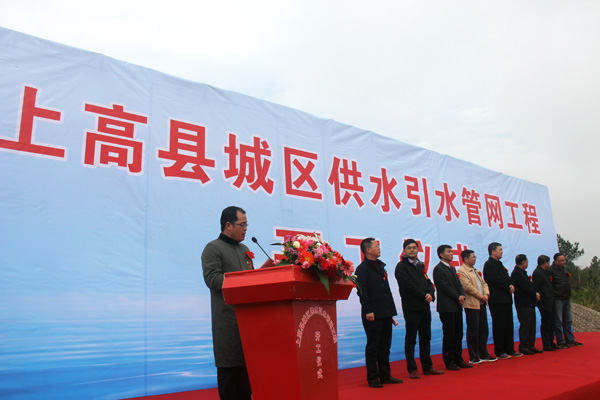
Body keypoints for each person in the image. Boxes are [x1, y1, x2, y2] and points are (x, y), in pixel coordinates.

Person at [201, 206, 253, 400]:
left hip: (249, 322)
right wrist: (243, 280)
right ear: (228, 225)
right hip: (228, 323)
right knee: (230, 376)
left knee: (246, 382)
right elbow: (212, 279)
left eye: (247, 225)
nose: (245, 229)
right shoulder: (213, 248)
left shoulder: (245, 249)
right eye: (242, 225)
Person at [355, 238, 403, 388]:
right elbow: (362, 291)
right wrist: (368, 310)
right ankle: (373, 378)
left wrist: (390, 311)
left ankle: (385, 375)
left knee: (385, 346)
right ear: (368, 250)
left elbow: (386, 291)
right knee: (373, 346)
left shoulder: (381, 266)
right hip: (372, 314)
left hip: (385, 312)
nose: (379, 248)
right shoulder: (362, 269)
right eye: (376, 246)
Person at [395, 239, 445, 379]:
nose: (412, 250)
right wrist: (424, 295)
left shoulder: (420, 265)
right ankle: (412, 369)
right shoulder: (401, 267)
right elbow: (407, 286)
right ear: (404, 251)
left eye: (414, 248)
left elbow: (428, 282)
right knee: (411, 339)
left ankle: (427, 367)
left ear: (418, 250)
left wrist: (431, 294)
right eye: (409, 248)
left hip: (424, 306)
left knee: (425, 338)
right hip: (411, 307)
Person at [433, 245, 472, 371]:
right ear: (441, 255)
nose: (451, 254)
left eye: (452, 251)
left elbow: (459, 285)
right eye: (448, 252)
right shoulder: (438, 269)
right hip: (446, 307)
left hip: (456, 305)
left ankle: (458, 359)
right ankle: (449, 361)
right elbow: (444, 287)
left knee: (458, 334)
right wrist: (457, 296)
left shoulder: (452, 268)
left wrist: (462, 295)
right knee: (449, 334)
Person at [483, 242, 522, 359]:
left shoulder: (500, 264)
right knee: (499, 325)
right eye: (500, 250)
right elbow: (495, 280)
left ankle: (510, 349)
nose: (502, 252)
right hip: (497, 300)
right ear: (493, 251)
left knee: (508, 325)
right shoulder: (489, 265)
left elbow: (507, 278)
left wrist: (512, 284)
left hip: (506, 299)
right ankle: (500, 351)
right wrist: (507, 287)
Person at [458, 249, 496, 364]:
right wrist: (481, 296)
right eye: (473, 257)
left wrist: (486, 294)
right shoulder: (462, 271)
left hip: (482, 303)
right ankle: (474, 356)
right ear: (466, 259)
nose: (475, 259)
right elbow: (467, 287)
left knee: (484, 330)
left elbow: (484, 284)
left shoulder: (475, 270)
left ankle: (484, 354)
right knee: (473, 331)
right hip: (472, 305)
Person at [510, 254, 542, 355]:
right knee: (525, 325)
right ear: (523, 262)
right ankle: (524, 346)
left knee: (532, 325)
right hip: (523, 303)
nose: (527, 263)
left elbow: (530, 286)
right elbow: (525, 287)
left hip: (529, 302)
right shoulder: (516, 273)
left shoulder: (523, 273)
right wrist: (534, 294)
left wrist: (535, 293)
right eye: (527, 261)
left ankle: (530, 345)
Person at [550, 253, 583, 348]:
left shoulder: (565, 268)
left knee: (568, 320)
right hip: (558, 298)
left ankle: (570, 339)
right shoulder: (551, 270)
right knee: (558, 320)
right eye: (561, 261)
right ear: (555, 261)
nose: (563, 262)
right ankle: (560, 340)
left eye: (564, 260)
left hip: (566, 297)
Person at [532, 255, 556, 352]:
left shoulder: (545, 272)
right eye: (548, 262)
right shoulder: (537, 273)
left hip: (550, 300)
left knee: (551, 322)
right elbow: (536, 287)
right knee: (546, 322)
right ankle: (546, 344)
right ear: (545, 263)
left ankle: (551, 341)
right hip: (544, 301)